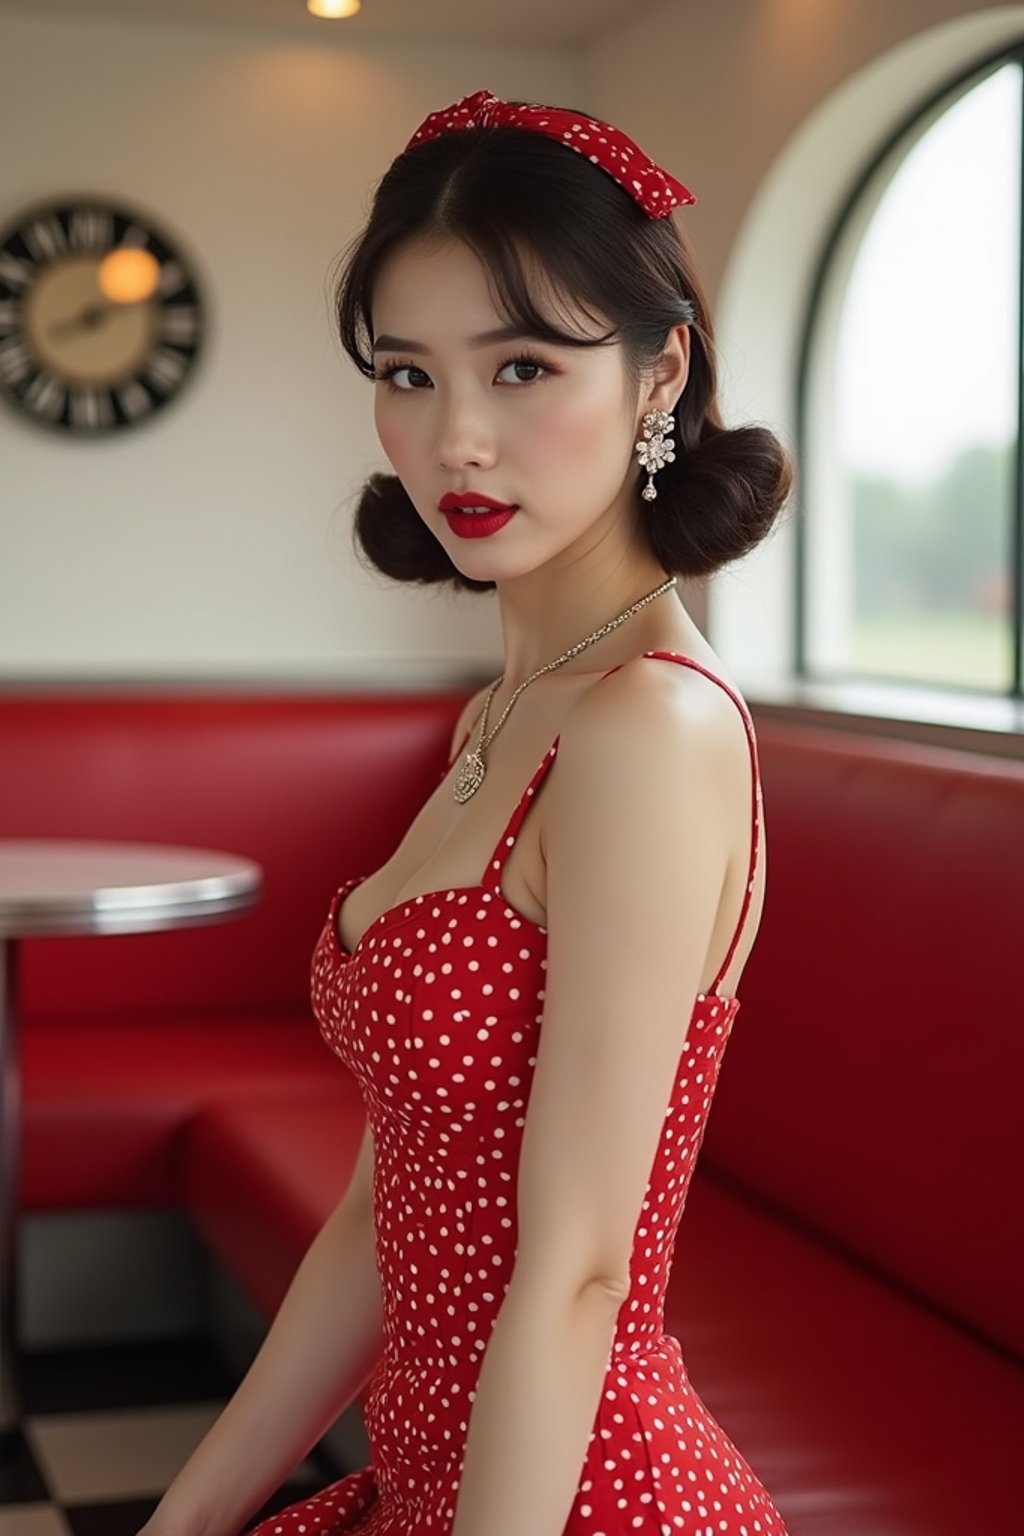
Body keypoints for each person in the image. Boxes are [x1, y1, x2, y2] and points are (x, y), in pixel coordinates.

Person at [141, 88, 794, 1536]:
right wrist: (183, 1522)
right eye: (409, 373)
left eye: (522, 366)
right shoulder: (502, 716)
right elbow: (390, 1216)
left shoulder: (648, 726)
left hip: (581, 1500)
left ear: (658, 372)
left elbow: (578, 1273)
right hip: (437, 1483)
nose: (457, 441)